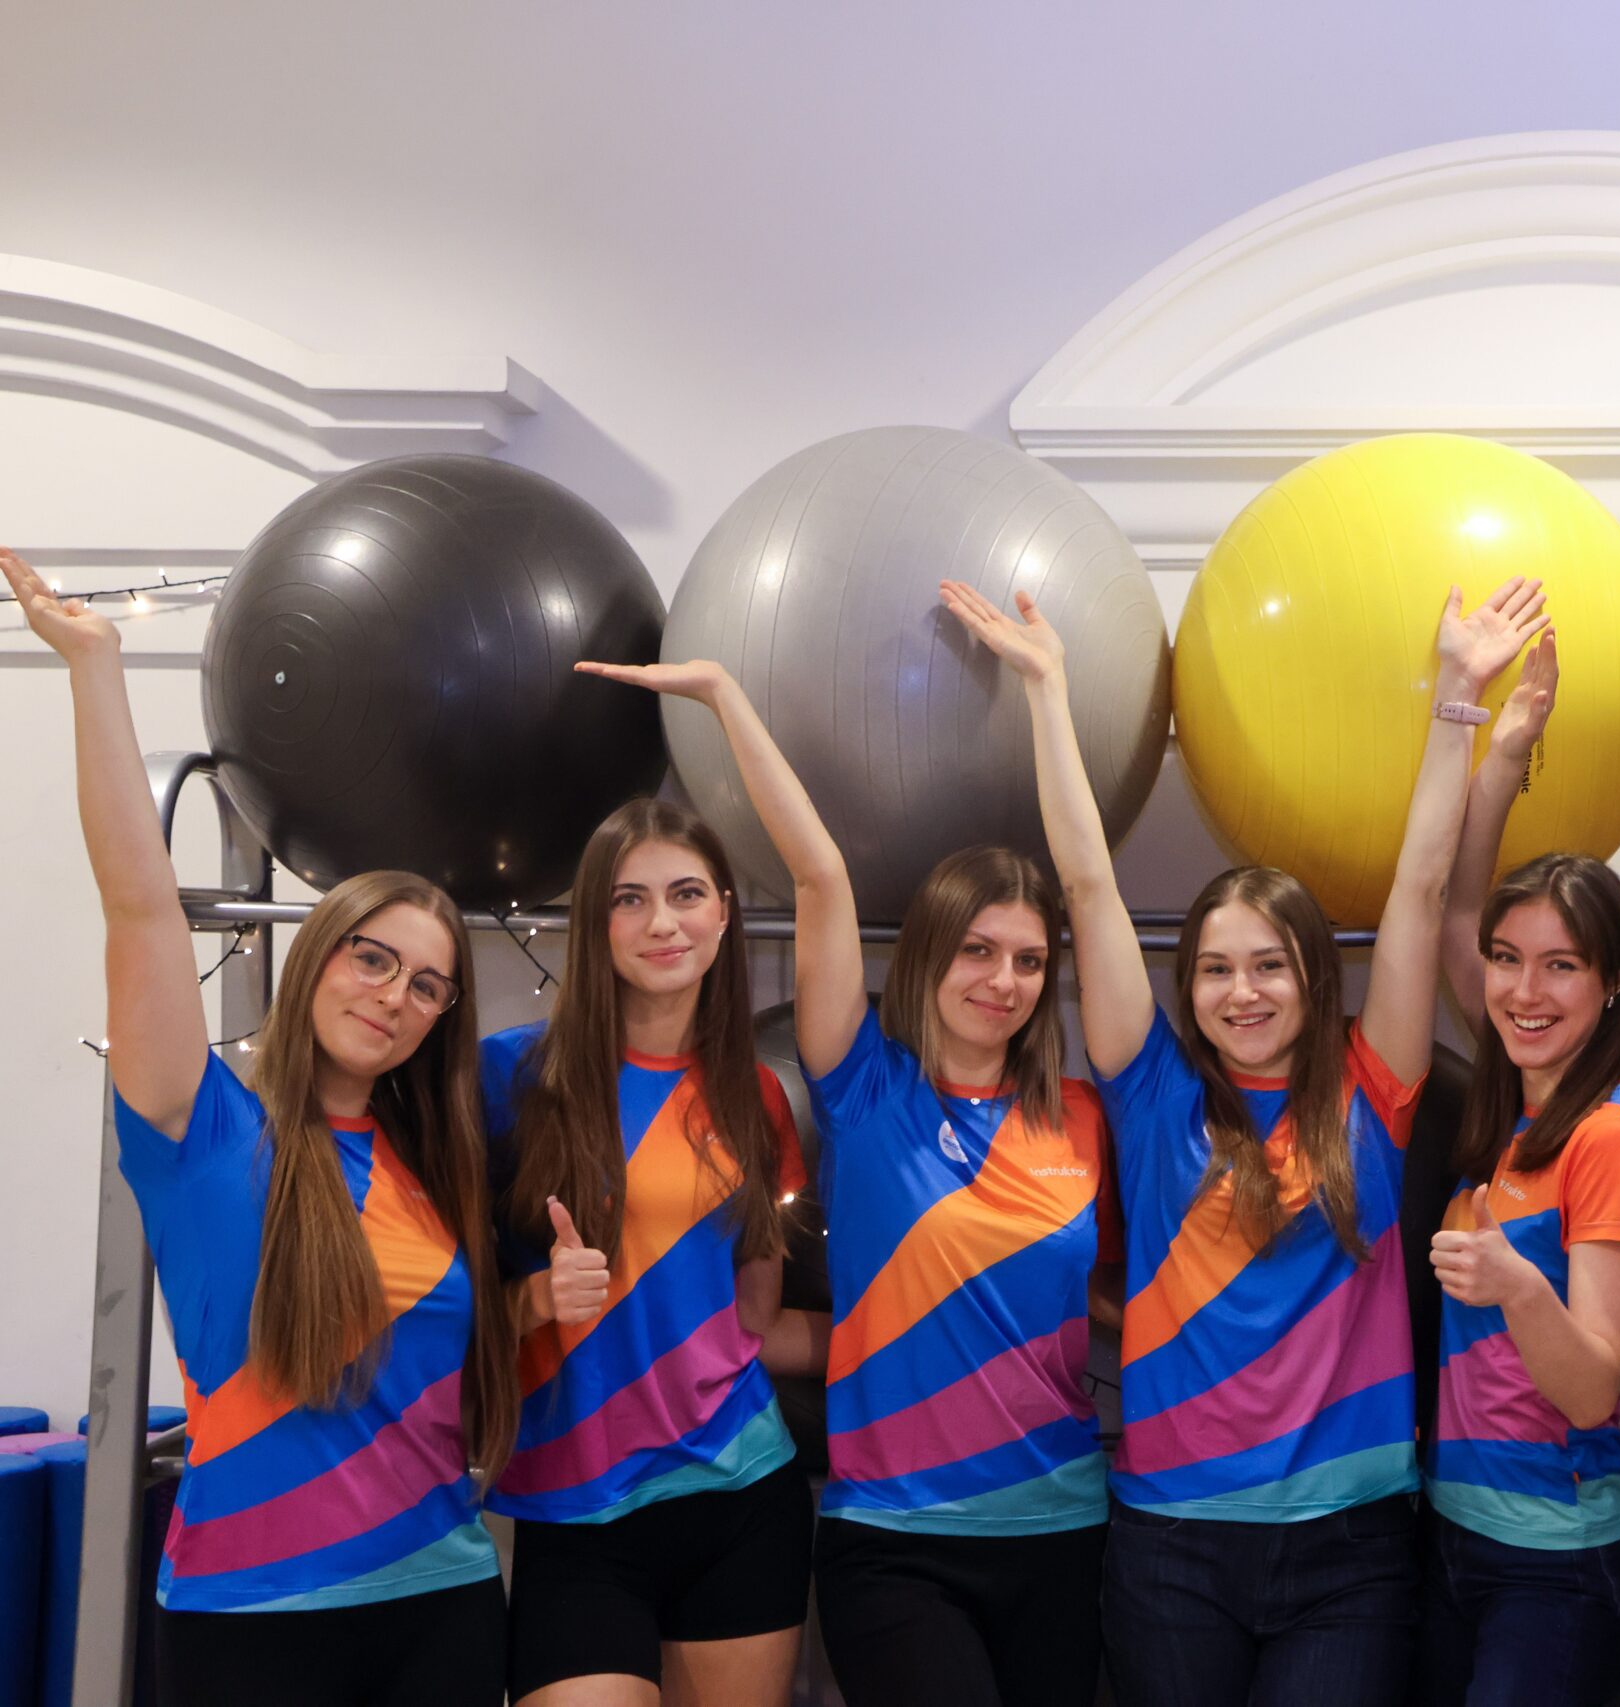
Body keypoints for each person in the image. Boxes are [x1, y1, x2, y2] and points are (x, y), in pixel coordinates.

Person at [941, 573, 1548, 1706]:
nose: (1244, 991)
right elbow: (1087, 883)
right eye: (1216, 969)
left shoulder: (1374, 1090)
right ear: (1189, 989)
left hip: (1350, 1545)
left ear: (1315, 980)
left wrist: (1457, 697)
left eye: (1270, 965)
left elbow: (1420, 891)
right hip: (1172, 1547)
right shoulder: (1150, 1094)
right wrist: (1047, 688)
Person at [2, 547, 517, 1707]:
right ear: (316, 956)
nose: (393, 994)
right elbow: (139, 903)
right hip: (250, 1616)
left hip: (441, 1599)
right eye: (371, 958)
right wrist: (93, 668)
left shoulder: (431, 1172)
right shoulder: (202, 1127)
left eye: (427, 985)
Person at [483, 660, 820, 1707]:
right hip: (573, 1511)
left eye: (685, 896)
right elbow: (439, 1299)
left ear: (723, 916)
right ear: (597, 923)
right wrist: (534, 1298)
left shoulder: (756, 1097)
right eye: (630, 900)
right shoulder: (510, 1079)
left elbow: (753, 1313)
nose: (662, 922)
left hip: (742, 1495)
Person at [750, 834, 1120, 1702]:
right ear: (927, 953)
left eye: (1030, 960)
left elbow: (1117, 1292)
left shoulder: (1081, 1116)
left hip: (1060, 1528)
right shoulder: (864, 1089)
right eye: (978, 950)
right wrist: (734, 731)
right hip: (895, 1537)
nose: (1005, 981)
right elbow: (819, 874)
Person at [1418, 629, 1620, 1707]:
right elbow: (1456, 914)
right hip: (1454, 1539)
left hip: (1557, 1566)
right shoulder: (1507, 1110)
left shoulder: (1613, 1134)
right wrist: (1505, 750)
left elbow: (1590, 1384)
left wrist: (1516, 1283)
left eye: (1561, 966)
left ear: (1611, 983)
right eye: (1510, 962)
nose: (1526, 992)